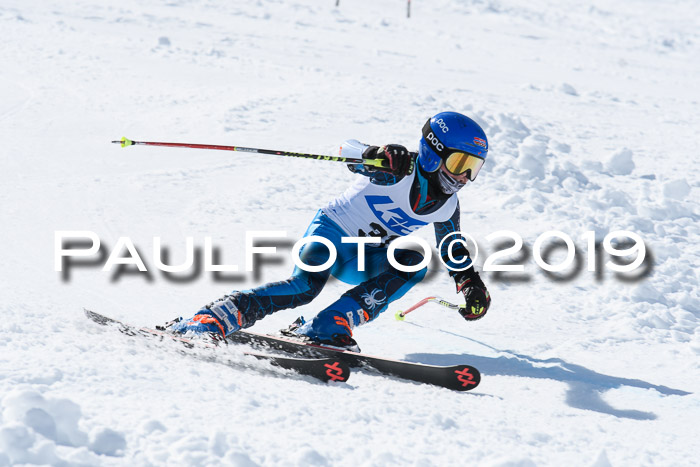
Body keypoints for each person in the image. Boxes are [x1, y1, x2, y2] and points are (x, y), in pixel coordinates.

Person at [167, 111, 491, 351]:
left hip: (364, 258)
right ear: (434, 152)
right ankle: (213, 317)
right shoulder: (397, 169)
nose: (463, 176)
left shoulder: (448, 206)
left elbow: (451, 246)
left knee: (412, 262)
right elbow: (349, 150)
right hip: (331, 233)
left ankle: (329, 324)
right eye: (459, 162)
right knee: (304, 287)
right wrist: (374, 155)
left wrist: (470, 283)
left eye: (472, 168)